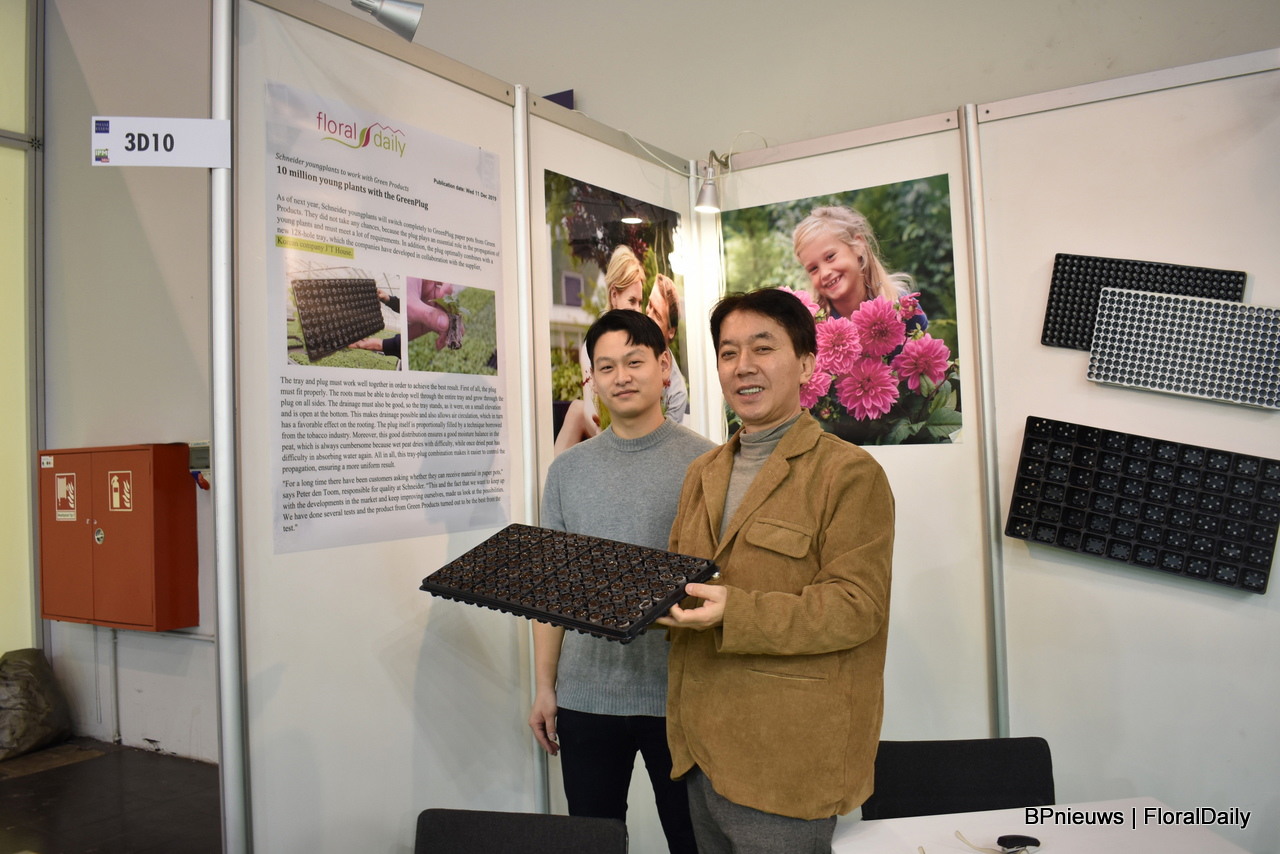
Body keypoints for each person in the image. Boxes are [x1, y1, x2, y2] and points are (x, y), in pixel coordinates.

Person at [656, 288, 895, 854]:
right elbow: (680, 579)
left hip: (786, 758)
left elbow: (857, 607)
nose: (743, 366)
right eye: (728, 352)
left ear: (807, 364)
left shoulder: (849, 474)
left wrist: (736, 611)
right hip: (698, 753)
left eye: (763, 348)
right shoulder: (702, 473)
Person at [531, 309, 714, 854]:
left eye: (634, 362)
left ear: (664, 365)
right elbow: (550, 591)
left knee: (693, 841)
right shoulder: (568, 471)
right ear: (593, 378)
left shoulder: (707, 463)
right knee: (594, 841)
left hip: (679, 698)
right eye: (606, 367)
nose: (621, 377)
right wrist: (545, 687)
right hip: (586, 697)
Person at [555, 245, 687, 454]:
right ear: (614, 295)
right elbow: (591, 409)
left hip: (644, 440)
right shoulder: (593, 346)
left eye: (640, 302)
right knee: (577, 410)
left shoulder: (655, 355)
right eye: (632, 301)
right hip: (608, 434)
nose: (638, 310)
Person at [793, 206, 927, 333]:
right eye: (813, 268)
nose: (824, 273)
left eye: (830, 257)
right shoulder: (813, 326)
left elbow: (922, 347)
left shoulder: (902, 306)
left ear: (858, 245)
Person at [645, 273, 689, 422]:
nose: (648, 316)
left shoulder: (677, 393)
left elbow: (663, 435)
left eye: (657, 315)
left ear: (671, 332)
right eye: (649, 305)